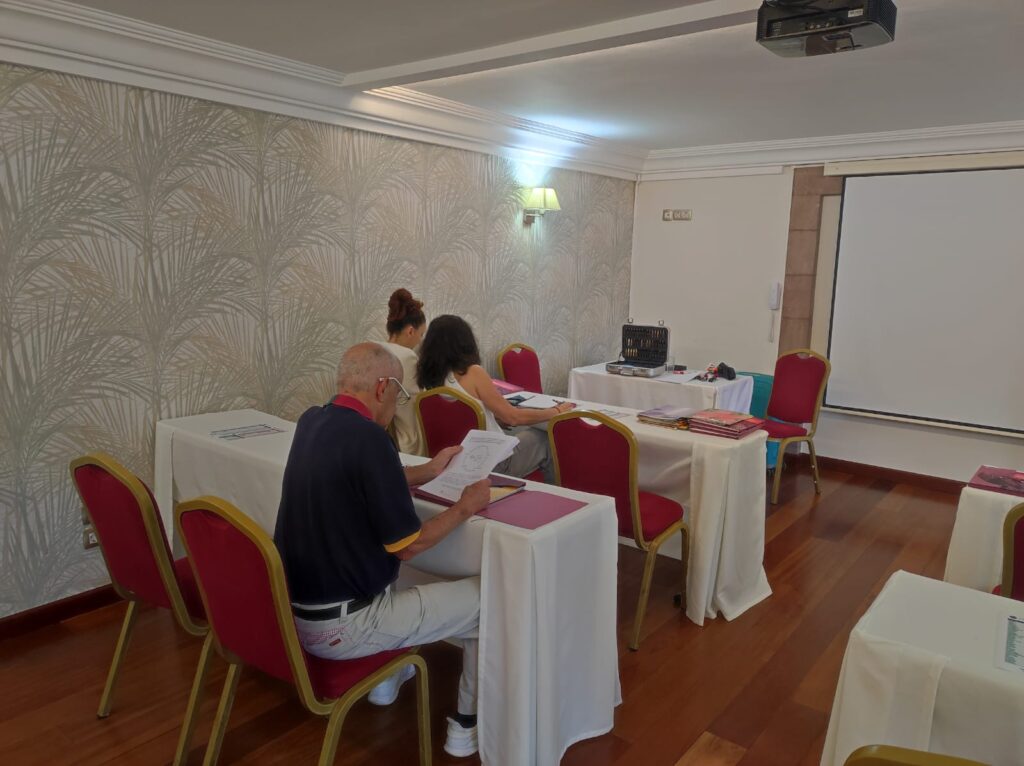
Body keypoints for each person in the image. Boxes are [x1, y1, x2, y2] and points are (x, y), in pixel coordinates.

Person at [274, 342, 489, 758]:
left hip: (294, 614)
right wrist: (467, 506)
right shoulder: (371, 439)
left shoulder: (312, 421)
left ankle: (384, 682)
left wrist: (429, 469)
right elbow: (411, 545)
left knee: (393, 574)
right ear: (382, 387)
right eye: (399, 393)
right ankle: (466, 726)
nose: (397, 403)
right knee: (489, 599)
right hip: (345, 627)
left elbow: (359, 477)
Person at [416, 315, 574, 480]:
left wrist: (491, 418)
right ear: (465, 342)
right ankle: (556, 492)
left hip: (448, 462)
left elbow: (457, 419)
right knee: (544, 438)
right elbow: (513, 417)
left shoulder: (428, 381)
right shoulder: (473, 372)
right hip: (490, 464)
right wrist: (555, 411)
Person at [381, 288, 427, 455]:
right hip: (404, 440)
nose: (420, 341)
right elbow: (418, 403)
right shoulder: (407, 357)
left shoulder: (375, 349)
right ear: (410, 331)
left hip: (381, 435)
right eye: (421, 335)